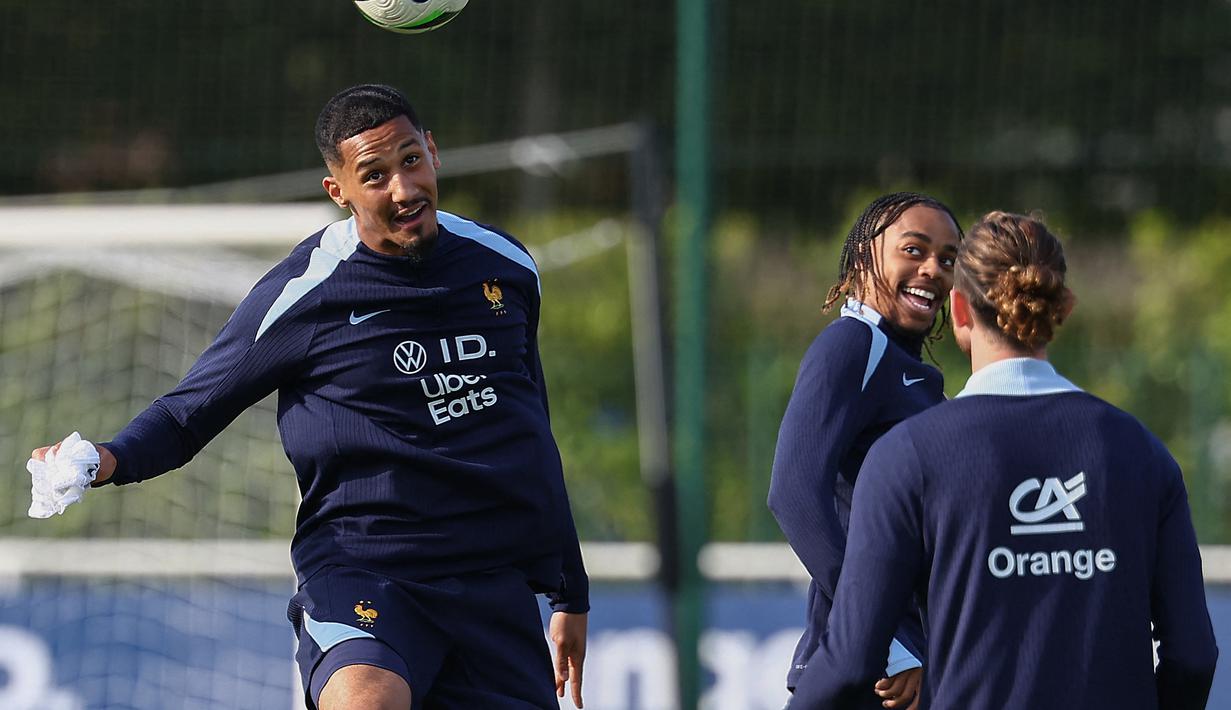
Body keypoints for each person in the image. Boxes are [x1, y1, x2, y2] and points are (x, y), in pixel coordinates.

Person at [30, 84, 589, 710]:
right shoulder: (308, 291)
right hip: (366, 573)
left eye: (411, 160)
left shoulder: (506, 266)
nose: (403, 189)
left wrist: (569, 589)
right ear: (339, 192)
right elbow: (189, 411)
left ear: (433, 153)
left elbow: (530, 429)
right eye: (374, 175)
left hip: (492, 585)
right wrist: (106, 458)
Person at [791, 211, 1219, 709]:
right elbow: (1193, 656)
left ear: (958, 312)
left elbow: (848, 662)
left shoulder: (908, 457)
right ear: (1059, 310)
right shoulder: (1143, 454)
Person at [768, 192, 963, 708]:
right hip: (866, 673)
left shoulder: (921, 379)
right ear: (863, 258)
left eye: (947, 259)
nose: (933, 270)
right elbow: (793, 493)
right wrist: (885, 642)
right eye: (914, 250)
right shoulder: (853, 345)